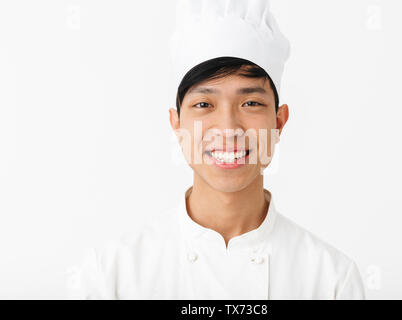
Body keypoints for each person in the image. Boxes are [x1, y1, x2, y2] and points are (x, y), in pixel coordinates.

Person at [65, 0, 366, 299]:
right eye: (204, 104)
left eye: (250, 103)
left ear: (279, 122)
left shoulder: (331, 280)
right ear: (177, 124)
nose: (228, 127)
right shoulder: (113, 276)